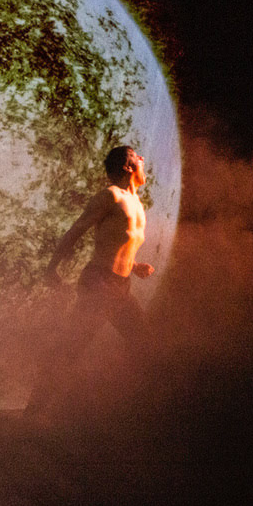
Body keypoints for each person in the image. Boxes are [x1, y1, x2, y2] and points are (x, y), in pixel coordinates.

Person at [25, 145, 154, 417]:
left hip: (120, 288)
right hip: (99, 285)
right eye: (137, 156)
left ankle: (134, 409)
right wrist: (51, 268)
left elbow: (116, 244)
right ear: (127, 166)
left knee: (145, 343)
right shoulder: (110, 196)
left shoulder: (136, 202)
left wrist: (134, 266)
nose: (142, 158)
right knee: (70, 348)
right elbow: (77, 230)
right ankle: (34, 410)